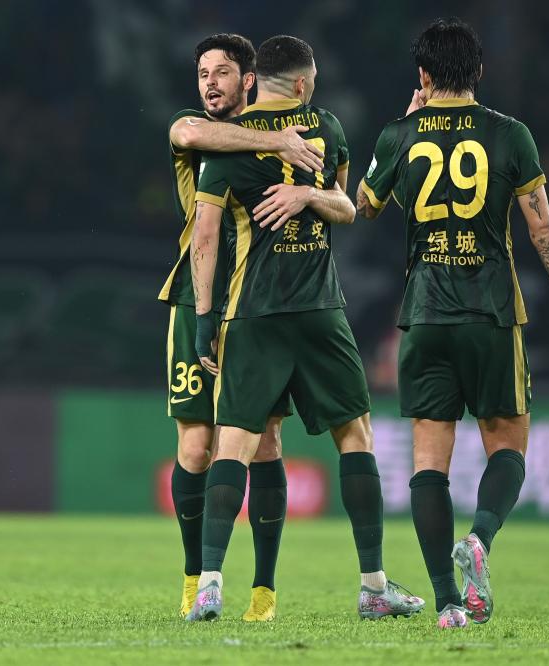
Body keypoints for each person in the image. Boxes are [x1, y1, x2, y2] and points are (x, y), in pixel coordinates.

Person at [356, 18, 549, 629]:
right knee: (508, 446)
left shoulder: (400, 135)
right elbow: (542, 226)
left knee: (428, 464)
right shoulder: (511, 136)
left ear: (423, 75)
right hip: (490, 313)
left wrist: (404, 125)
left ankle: (446, 603)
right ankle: (481, 539)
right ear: (479, 72)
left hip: (425, 315)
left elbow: (359, 206)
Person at [186, 34, 425, 623]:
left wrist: (203, 319)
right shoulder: (326, 128)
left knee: (234, 442)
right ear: (300, 82)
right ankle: (372, 585)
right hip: (315, 310)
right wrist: (315, 193)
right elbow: (351, 208)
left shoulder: (227, 143)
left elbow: (207, 237)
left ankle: (211, 583)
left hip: (256, 313)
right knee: (355, 436)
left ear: (253, 80)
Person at [158, 32, 326, 622]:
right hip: (195, 301)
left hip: (261, 304)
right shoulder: (198, 129)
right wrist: (277, 137)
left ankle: (263, 591)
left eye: (223, 72)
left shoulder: (288, 136)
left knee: (266, 443)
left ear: (249, 80)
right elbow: (188, 133)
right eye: (202, 71)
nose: (209, 82)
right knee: (197, 446)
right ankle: (192, 582)